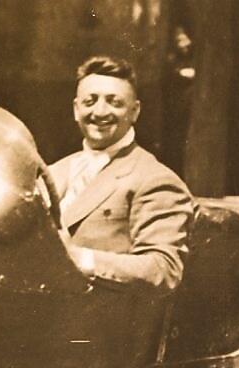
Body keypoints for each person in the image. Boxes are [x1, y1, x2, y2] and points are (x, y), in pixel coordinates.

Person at [49, 56, 194, 293]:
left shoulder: (154, 179)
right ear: (76, 110)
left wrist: (80, 258)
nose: (100, 111)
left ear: (135, 111)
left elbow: (163, 268)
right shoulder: (54, 171)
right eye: (90, 101)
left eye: (114, 102)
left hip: (97, 321)